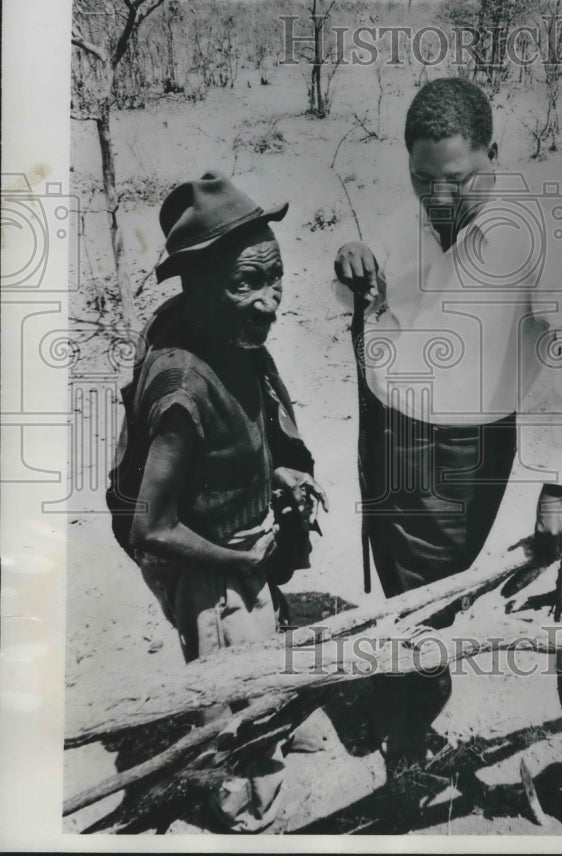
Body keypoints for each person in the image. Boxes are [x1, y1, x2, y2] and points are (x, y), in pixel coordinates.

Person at [334, 77, 562, 775]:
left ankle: (407, 734)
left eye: (456, 180)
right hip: (386, 433)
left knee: (426, 601)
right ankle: (399, 696)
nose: (437, 197)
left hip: (461, 453)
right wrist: (353, 266)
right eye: (421, 179)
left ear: (493, 153)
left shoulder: (531, 235)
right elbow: (370, 289)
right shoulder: (405, 213)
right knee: (400, 590)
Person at [107, 171, 328, 832]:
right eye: (246, 284)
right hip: (200, 554)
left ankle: (269, 725)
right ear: (197, 284)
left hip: (240, 536)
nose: (268, 302)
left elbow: (253, 419)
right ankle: (239, 794)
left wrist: (282, 471)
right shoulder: (179, 386)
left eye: (274, 277)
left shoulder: (227, 333)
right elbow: (152, 526)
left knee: (261, 636)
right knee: (219, 674)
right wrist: (232, 564)